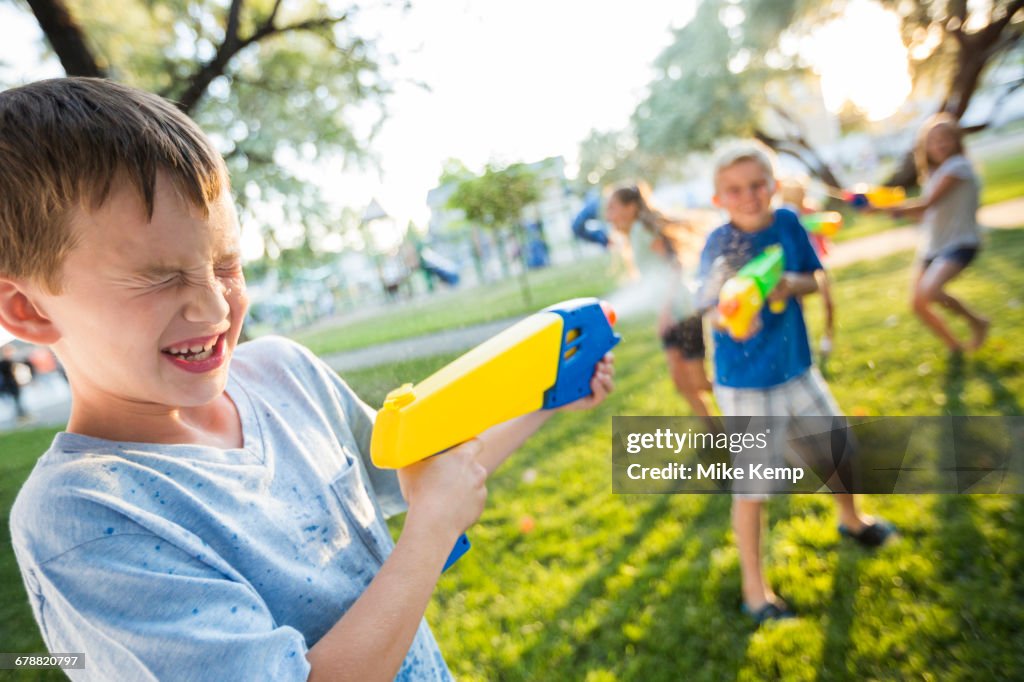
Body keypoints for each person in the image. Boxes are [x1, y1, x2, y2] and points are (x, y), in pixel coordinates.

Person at [0, 78, 615, 681]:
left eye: (225, 264)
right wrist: (430, 534)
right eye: (160, 277)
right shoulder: (79, 517)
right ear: (29, 310)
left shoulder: (283, 373)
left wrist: (549, 395)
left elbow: (422, 472)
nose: (215, 308)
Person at [699, 143, 892, 625]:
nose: (749, 196)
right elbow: (708, 305)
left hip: (797, 368)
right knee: (753, 487)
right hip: (744, 383)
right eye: (735, 189)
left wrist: (788, 285)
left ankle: (852, 520)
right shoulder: (717, 244)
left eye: (757, 184)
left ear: (773, 183)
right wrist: (731, 321)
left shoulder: (787, 223)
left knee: (837, 447)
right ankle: (755, 592)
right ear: (719, 197)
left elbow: (814, 277)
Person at [604, 184, 714, 422]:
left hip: (682, 313)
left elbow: (675, 267)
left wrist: (665, 313)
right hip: (669, 315)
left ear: (630, 207)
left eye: (612, 207)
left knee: (699, 382)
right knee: (681, 381)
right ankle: (714, 432)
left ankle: (743, 393)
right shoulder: (633, 235)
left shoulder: (644, 231)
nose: (608, 215)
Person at [884, 113, 989, 353]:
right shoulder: (935, 174)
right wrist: (893, 212)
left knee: (930, 291)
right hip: (934, 246)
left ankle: (977, 322)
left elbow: (928, 203)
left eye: (945, 138)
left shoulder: (958, 166)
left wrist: (887, 207)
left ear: (956, 140)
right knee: (918, 303)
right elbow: (926, 214)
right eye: (933, 141)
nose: (939, 145)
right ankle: (955, 347)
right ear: (925, 147)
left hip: (960, 242)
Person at [779, 178, 836, 364]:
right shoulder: (785, 217)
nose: (802, 196)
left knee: (828, 301)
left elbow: (823, 232)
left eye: (803, 192)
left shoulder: (811, 209)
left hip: (817, 261)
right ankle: (804, 342)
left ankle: (828, 337)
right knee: (799, 306)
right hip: (797, 266)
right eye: (798, 193)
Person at [0, 342, 29, 420]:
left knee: (18, 400)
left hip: (14, 384)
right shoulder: (5, 363)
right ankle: (21, 415)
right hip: (10, 385)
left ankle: (22, 414)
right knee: (17, 400)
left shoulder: (13, 361)